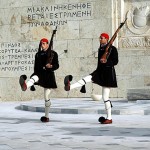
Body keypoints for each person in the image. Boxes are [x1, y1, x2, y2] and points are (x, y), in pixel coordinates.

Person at [64, 33, 118, 124]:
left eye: (102, 38)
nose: (100, 39)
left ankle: (109, 118)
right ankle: (70, 87)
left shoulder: (113, 49)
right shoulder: (100, 48)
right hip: (99, 72)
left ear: (107, 39)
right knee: (86, 78)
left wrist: (107, 61)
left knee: (105, 97)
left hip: (108, 74)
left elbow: (115, 61)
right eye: (100, 38)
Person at [19, 38, 59, 122]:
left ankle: (46, 116)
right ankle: (26, 86)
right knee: (34, 77)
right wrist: (35, 73)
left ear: (48, 44)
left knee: (46, 97)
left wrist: (51, 66)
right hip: (40, 73)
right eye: (41, 44)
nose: (42, 45)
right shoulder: (38, 54)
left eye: (44, 44)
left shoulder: (53, 54)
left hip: (48, 75)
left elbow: (57, 65)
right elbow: (36, 67)